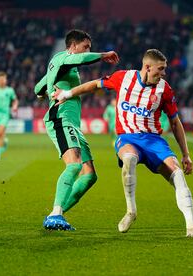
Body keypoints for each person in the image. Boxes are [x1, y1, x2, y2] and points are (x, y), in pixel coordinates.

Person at [53, 49, 193, 239]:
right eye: (160, 69)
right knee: (129, 159)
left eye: (165, 70)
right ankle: (131, 211)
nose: (164, 74)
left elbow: (175, 122)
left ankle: (191, 228)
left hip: (154, 140)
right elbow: (95, 85)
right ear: (147, 67)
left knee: (177, 174)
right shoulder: (123, 78)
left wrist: (186, 154)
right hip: (128, 138)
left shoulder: (164, 89)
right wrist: (67, 93)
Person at [34, 29, 119, 231]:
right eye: (85, 46)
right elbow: (81, 59)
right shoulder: (64, 58)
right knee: (73, 166)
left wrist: (42, 93)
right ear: (73, 46)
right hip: (61, 118)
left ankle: (57, 214)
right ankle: (55, 214)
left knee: (89, 175)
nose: (87, 50)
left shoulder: (59, 65)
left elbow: (39, 86)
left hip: (73, 124)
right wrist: (102, 55)